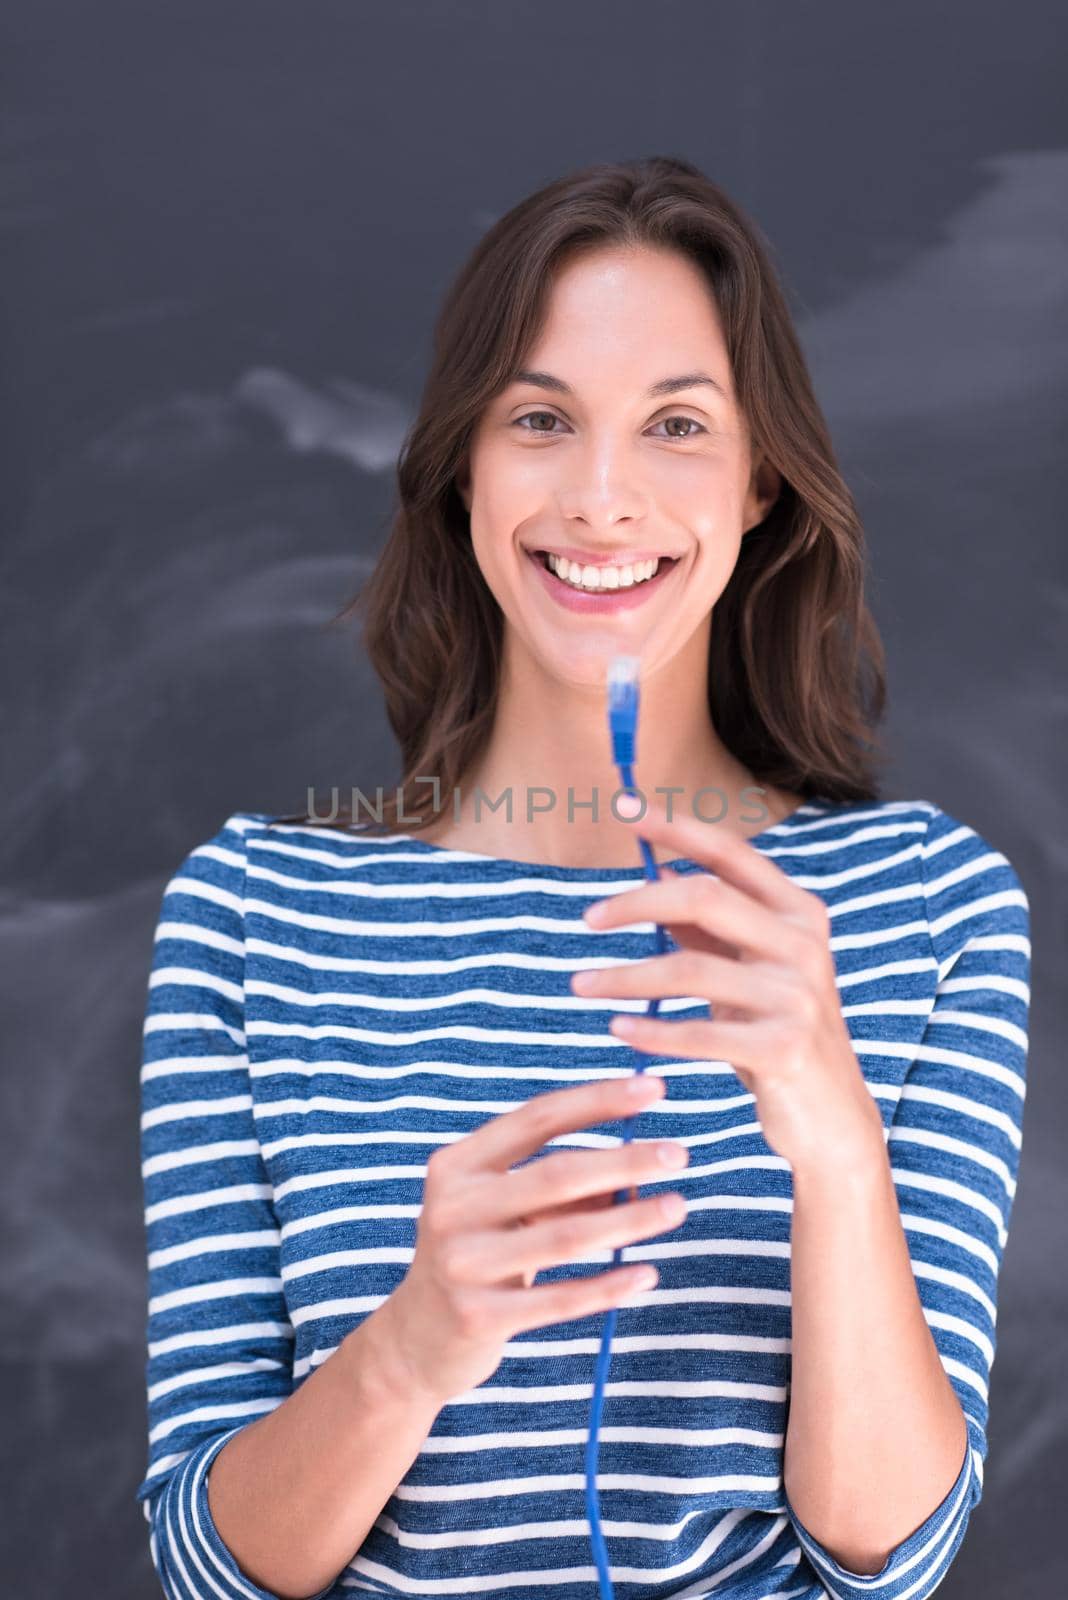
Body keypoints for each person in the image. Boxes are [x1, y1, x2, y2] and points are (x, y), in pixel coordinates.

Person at [135, 157, 1031, 1600]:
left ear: (758, 484)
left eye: (676, 425)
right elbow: (204, 1567)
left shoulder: (930, 908)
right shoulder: (258, 917)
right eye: (541, 420)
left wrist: (831, 1130)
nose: (602, 499)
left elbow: (893, 1553)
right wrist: (413, 1344)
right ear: (466, 471)